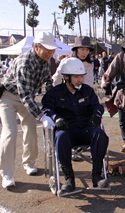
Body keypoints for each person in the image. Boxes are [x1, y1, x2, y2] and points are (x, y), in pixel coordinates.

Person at [0, 32, 60, 189]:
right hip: (8, 97)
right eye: (47, 50)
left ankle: (29, 163)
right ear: (36, 47)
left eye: (53, 50)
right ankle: (7, 174)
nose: (51, 53)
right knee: (10, 132)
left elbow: (48, 82)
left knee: (31, 130)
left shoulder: (46, 61)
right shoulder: (25, 62)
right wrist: (41, 116)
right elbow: (25, 95)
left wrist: (55, 100)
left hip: (27, 97)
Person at [41, 57, 109, 192]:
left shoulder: (88, 91)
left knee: (100, 135)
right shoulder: (54, 93)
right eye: (76, 77)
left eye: (81, 76)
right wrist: (56, 118)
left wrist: (97, 114)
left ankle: (96, 175)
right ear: (66, 77)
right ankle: (69, 178)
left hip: (85, 129)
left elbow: (97, 106)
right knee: (60, 137)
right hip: (66, 130)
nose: (80, 80)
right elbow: (46, 108)